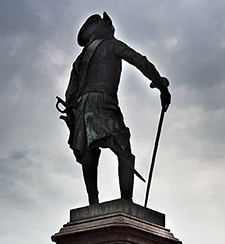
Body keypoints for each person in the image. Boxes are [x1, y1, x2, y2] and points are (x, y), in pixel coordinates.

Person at [60, 12, 171, 205]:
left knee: (89, 153)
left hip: (81, 106)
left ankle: (92, 202)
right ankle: (126, 201)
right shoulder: (112, 45)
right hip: (104, 101)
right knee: (123, 149)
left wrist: (73, 114)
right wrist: (160, 83)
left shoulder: (79, 60)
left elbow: (70, 94)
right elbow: (139, 60)